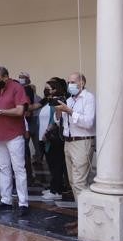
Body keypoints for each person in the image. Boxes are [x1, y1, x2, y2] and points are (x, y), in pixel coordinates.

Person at [0, 66, 30, 217]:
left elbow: (20, 111)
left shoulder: (17, 88)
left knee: (19, 169)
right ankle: (6, 201)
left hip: (14, 134)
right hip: (0, 134)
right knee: (3, 168)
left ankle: (23, 203)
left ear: (6, 77)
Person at [55, 72, 95, 202]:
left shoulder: (89, 98)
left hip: (81, 142)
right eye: (68, 82)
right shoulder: (69, 100)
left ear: (81, 83)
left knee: (79, 182)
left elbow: (89, 123)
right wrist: (58, 112)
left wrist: (70, 111)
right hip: (68, 142)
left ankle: (85, 219)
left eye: (72, 82)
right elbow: (62, 123)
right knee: (72, 181)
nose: (69, 85)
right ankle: (81, 216)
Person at [38, 77, 70, 201]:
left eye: (48, 88)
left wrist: (47, 132)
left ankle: (56, 191)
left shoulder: (59, 101)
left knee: (56, 165)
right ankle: (53, 187)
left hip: (54, 138)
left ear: (55, 90)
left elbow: (56, 120)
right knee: (51, 164)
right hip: (45, 137)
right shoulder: (47, 101)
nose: (45, 90)